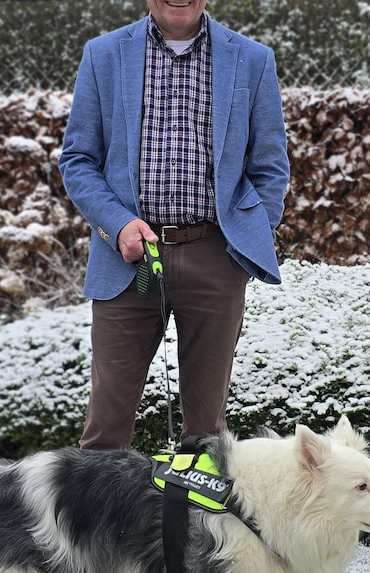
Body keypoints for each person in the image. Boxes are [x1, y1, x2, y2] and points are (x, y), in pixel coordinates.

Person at [58, 0, 290, 450]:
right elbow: (78, 160)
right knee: (106, 423)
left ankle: (197, 522)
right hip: (130, 261)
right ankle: (98, 522)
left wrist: (246, 241)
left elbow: (270, 166)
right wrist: (118, 225)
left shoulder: (252, 59)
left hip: (216, 257)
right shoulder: (103, 55)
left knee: (207, 432)